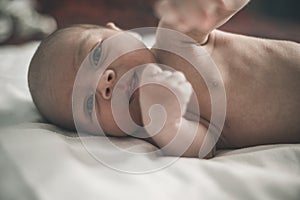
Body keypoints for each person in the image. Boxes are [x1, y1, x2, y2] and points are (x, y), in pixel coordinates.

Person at [28, 0, 300, 158]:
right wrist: (169, 125)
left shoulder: (174, 38)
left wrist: (195, 6)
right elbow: (205, 146)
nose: (104, 83)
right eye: (88, 104)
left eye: (96, 54)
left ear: (119, 31)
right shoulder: (153, 129)